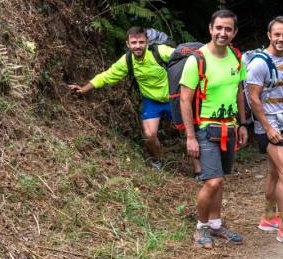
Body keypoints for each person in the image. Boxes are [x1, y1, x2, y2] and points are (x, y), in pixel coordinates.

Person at [68, 26, 196, 172]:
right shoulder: (127, 60)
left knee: (190, 131)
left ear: (147, 42)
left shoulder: (159, 51)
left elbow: (182, 57)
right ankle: (158, 162)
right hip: (151, 101)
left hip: (173, 98)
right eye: (134, 43)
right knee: (149, 135)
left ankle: (199, 170)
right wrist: (84, 89)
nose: (138, 46)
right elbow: (107, 75)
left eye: (141, 42)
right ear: (128, 44)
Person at [180, 9, 249, 249]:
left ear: (234, 32)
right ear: (210, 28)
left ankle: (216, 224)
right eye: (218, 28)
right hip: (205, 128)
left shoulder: (236, 57)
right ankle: (201, 228)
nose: (223, 33)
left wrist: (242, 123)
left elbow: (239, 91)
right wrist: (190, 136)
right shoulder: (197, 60)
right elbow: (184, 100)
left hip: (229, 127)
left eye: (228, 29)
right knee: (212, 181)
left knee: (221, 180)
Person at [246, 16, 283, 246]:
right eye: (277, 34)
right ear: (269, 35)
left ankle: (268, 217)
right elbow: (253, 98)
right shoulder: (260, 63)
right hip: (268, 125)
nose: (281, 39)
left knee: (273, 171)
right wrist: (267, 128)